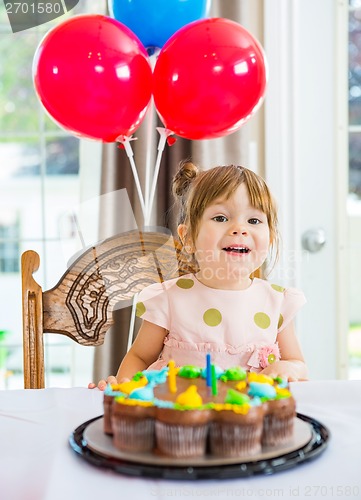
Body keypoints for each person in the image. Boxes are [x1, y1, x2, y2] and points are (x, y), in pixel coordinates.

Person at [89, 162, 307, 390]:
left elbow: (298, 363)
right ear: (189, 237)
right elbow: (140, 357)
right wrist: (125, 387)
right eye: (221, 218)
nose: (240, 229)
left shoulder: (277, 303)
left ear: (270, 238)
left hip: (250, 419)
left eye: (254, 221)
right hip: (180, 416)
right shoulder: (169, 299)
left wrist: (288, 368)